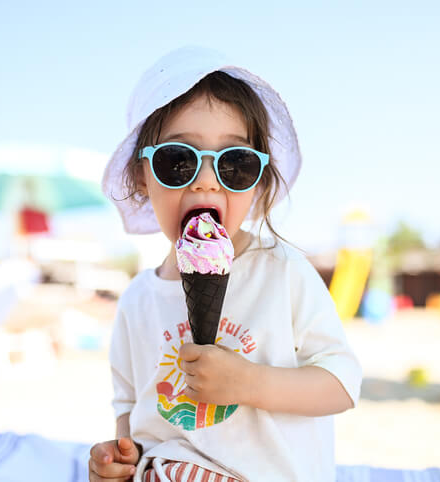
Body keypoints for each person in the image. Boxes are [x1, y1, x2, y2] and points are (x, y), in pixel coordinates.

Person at [89, 46, 362, 482]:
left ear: (257, 184)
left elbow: (343, 383)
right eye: (178, 161)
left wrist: (252, 384)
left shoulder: (282, 272)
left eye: (234, 164)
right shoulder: (137, 301)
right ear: (142, 176)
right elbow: (129, 413)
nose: (206, 180)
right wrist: (119, 458)